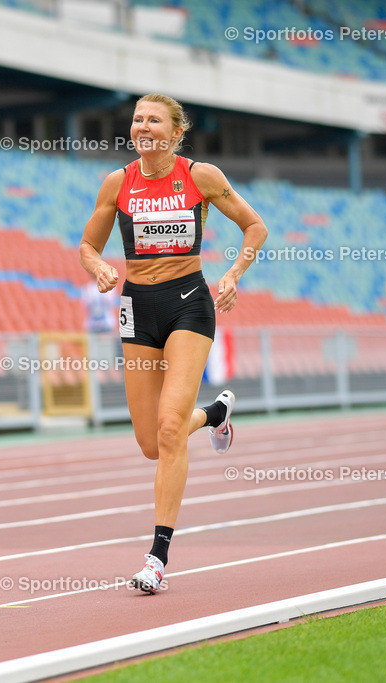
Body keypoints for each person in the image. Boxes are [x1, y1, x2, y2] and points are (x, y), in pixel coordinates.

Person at [78, 93, 268, 593]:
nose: (143, 126)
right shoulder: (117, 182)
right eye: (137, 119)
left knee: (168, 430)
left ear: (176, 132)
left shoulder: (200, 176)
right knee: (149, 443)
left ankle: (157, 557)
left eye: (154, 120)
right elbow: (88, 245)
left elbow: (255, 226)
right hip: (137, 309)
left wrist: (233, 274)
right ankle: (215, 415)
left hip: (189, 303)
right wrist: (98, 266)